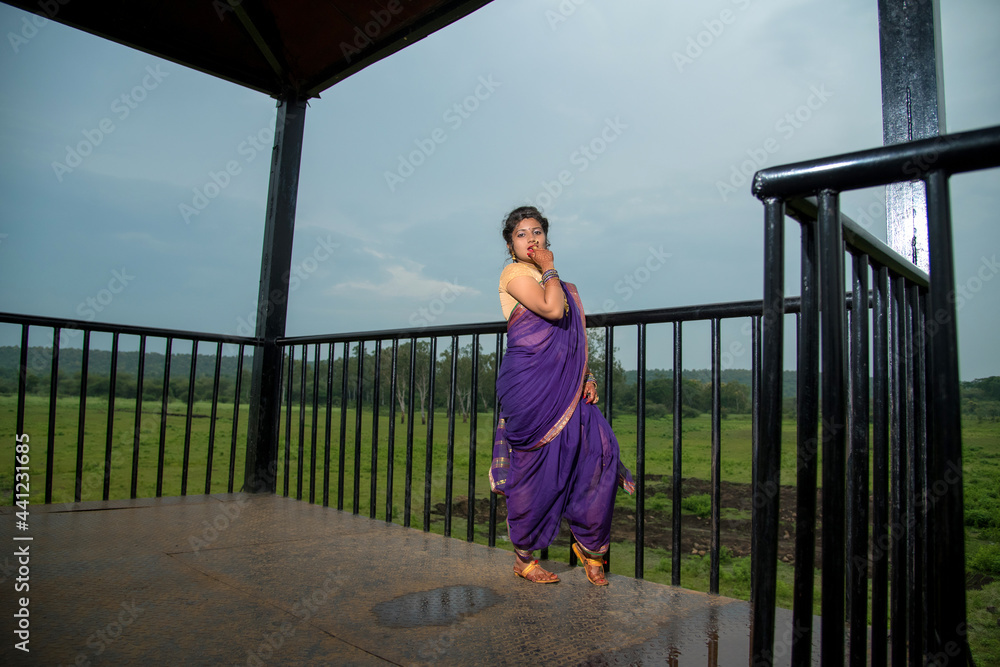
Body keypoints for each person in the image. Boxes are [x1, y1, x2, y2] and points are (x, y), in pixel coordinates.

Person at [489, 205, 634, 586]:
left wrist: (585, 374)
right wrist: (549, 266)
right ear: (510, 245)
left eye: (537, 232)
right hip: (530, 387)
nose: (532, 239)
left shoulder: (553, 280)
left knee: (599, 449)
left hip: (566, 387)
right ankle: (524, 558)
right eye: (522, 234)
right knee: (536, 469)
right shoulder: (516, 274)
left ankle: (589, 547)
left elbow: (568, 338)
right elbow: (553, 311)